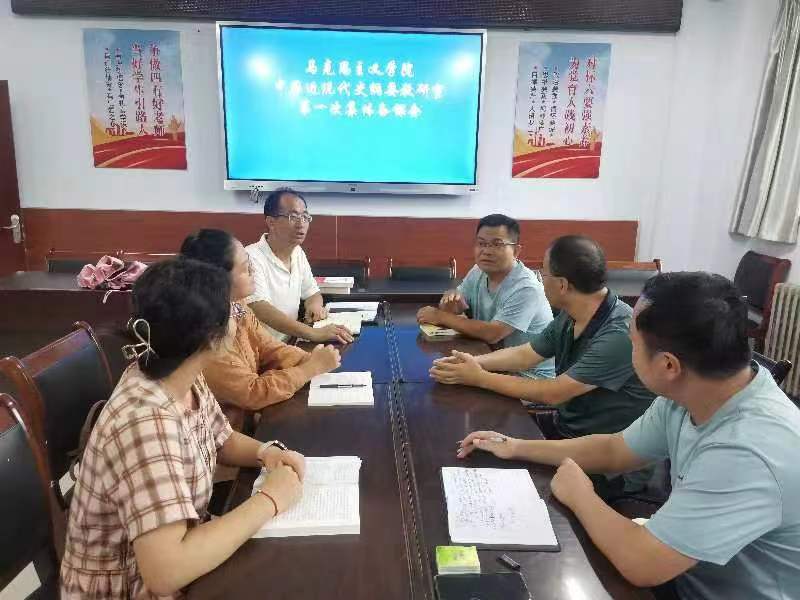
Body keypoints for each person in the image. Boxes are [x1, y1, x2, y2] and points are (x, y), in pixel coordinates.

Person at [458, 272, 800, 598]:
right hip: (687, 574)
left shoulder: (748, 450)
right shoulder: (692, 392)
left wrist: (580, 494)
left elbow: (643, 564)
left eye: (632, 342)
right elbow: (614, 450)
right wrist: (516, 446)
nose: (628, 346)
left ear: (668, 365)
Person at [61, 259, 305, 599]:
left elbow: (220, 438)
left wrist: (266, 453)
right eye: (233, 312)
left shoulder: (180, 370)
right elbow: (166, 572)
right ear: (211, 337)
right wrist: (270, 500)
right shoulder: (146, 420)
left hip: (183, 554)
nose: (238, 319)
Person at [431, 235, 654, 439]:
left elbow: (554, 393)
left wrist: (478, 377)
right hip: (567, 427)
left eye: (543, 273)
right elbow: (525, 354)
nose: (540, 278)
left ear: (562, 285)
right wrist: (469, 362)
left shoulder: (619, 333)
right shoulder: (572, 314)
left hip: (602, 452)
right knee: (476, 433)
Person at [181, 229, 340, 434]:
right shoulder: (203, 333)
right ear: (218, 278)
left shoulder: (237, 306)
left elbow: (268, 348)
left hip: (252, 423)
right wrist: (308, 370)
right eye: (246, 268)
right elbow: (252, 393)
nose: (253, 273)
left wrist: (310, 359)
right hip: (229, 439)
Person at [416, 214, 554, 378]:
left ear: (516, 251)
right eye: (481, 243)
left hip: (529, 376)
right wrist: (450, 303)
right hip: (490, 359)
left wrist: (441, 316)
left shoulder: (526, 287)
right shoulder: (478, 271)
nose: (486, 251)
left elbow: (493, 334)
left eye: (497, 244)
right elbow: (457, 306)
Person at [246, 187, 353, 344]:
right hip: (262, 350)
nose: (301, 223)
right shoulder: (250, 256)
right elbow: (260, 308)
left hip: (290, 342)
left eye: (305, 217)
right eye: (293, 217)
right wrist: (313, 333)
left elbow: (312, 293)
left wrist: (314, 306)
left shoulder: (297, 252)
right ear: (271, 222)